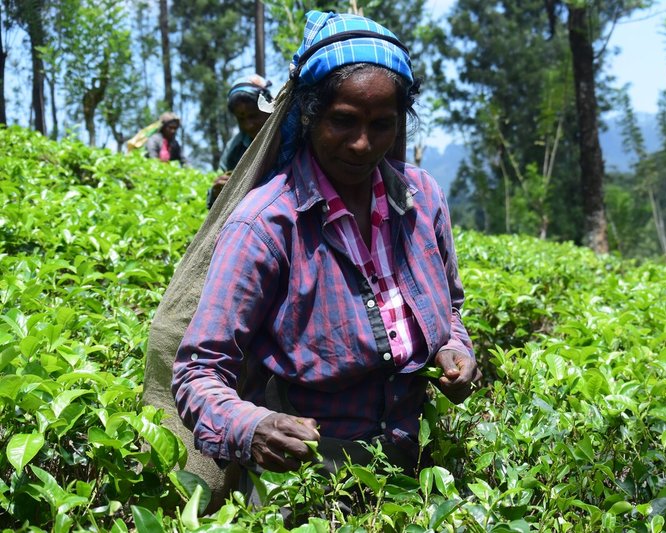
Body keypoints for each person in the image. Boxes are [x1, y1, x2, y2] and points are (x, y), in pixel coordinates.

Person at [171, 10, 479, 501]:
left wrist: (452, 350)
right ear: (309, 114)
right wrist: (253, 427)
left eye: (381, 125)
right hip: (307, 480)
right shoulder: (268, 223)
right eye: (343, 121)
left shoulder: (423, 201)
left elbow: (453, 310)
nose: (362, 144)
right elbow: (197, 371)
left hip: (414, 469)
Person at [207, 75, 273, 209]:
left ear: (268, 108)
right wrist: (216, 192)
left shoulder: (289, 136)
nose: (249, 125)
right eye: (241, 119)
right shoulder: (234, 148)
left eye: (253, 116)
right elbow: (218, 192)